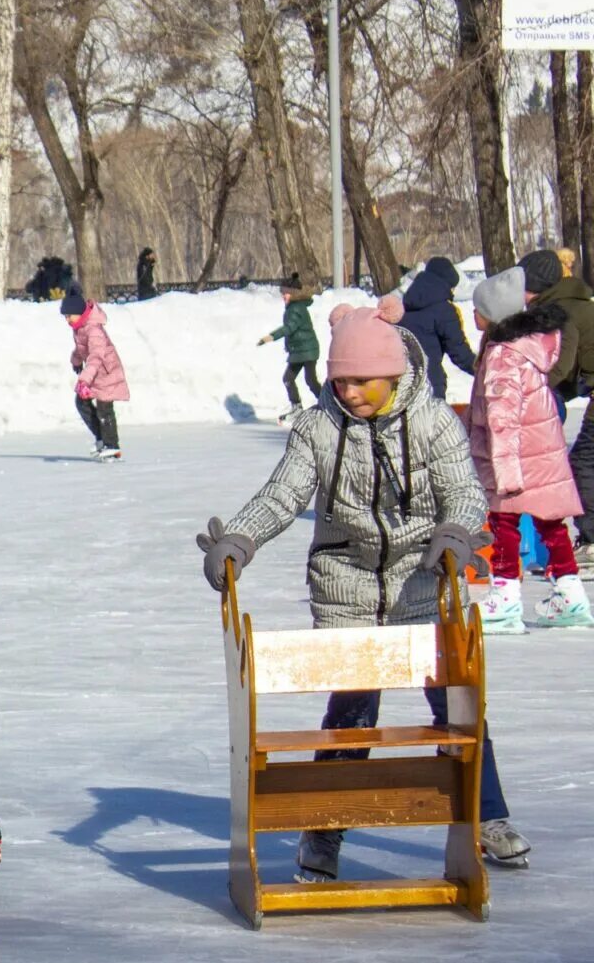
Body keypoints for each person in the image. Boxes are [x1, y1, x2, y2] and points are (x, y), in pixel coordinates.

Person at [196, 297, 527, 879]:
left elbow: (464, 492)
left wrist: (452, 535)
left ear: (393, 374)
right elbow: (283, 495)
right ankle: (324, 833)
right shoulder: (319, 428)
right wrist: (241, 540)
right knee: (352, 712)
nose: (348, 391)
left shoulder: (431, 422)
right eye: (340, 379)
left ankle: (488, 815)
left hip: (423, 578)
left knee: (458, 707)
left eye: (361, 380)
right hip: (344, 582)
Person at [467, 267, 591, 632]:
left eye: (478, 309)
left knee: (504, 523)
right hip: (541, 452)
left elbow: (502, 419)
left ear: (492, 315)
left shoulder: (503, 356)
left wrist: (505, 474)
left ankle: (504, 597)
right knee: (551, 524)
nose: (472, 315)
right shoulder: (525, 349)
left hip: (516, 457)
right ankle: (571, 595)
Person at [521, 248, 594, 563]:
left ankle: (591, 539)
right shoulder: (576, 302)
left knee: (582, 463)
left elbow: (561, 366)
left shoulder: (558, 312)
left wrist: (528, 387)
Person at [395, 255, 475, 398]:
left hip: (401, 384)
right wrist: (483, 369)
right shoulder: (444, 310)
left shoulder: (403, 306)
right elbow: (459, 353)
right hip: (430, 384)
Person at [64, 287, 129, 460]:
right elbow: (82, 349)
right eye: (65, 316)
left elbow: (96, 356)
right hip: (95, 373)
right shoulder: (80, 328)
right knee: (81, 402)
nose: (67, 320)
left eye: (69, 315)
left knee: (104, 408)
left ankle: (112, 445)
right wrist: (76, 360)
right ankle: (102, 438)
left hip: (107, 372)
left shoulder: (94, 330)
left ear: (79, 313)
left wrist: (84, 379)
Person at [257, 273, 321, 421]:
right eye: (283, 293)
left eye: (286, 293)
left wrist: (271, 337)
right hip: (300, 351)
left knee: (309, 380)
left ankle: (327, 404)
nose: (283, 296)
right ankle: (297, 407)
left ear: (293, 294)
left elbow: (289, 328)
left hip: (307, 350)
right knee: (290, 378)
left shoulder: (296, 309)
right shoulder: (294, 307)